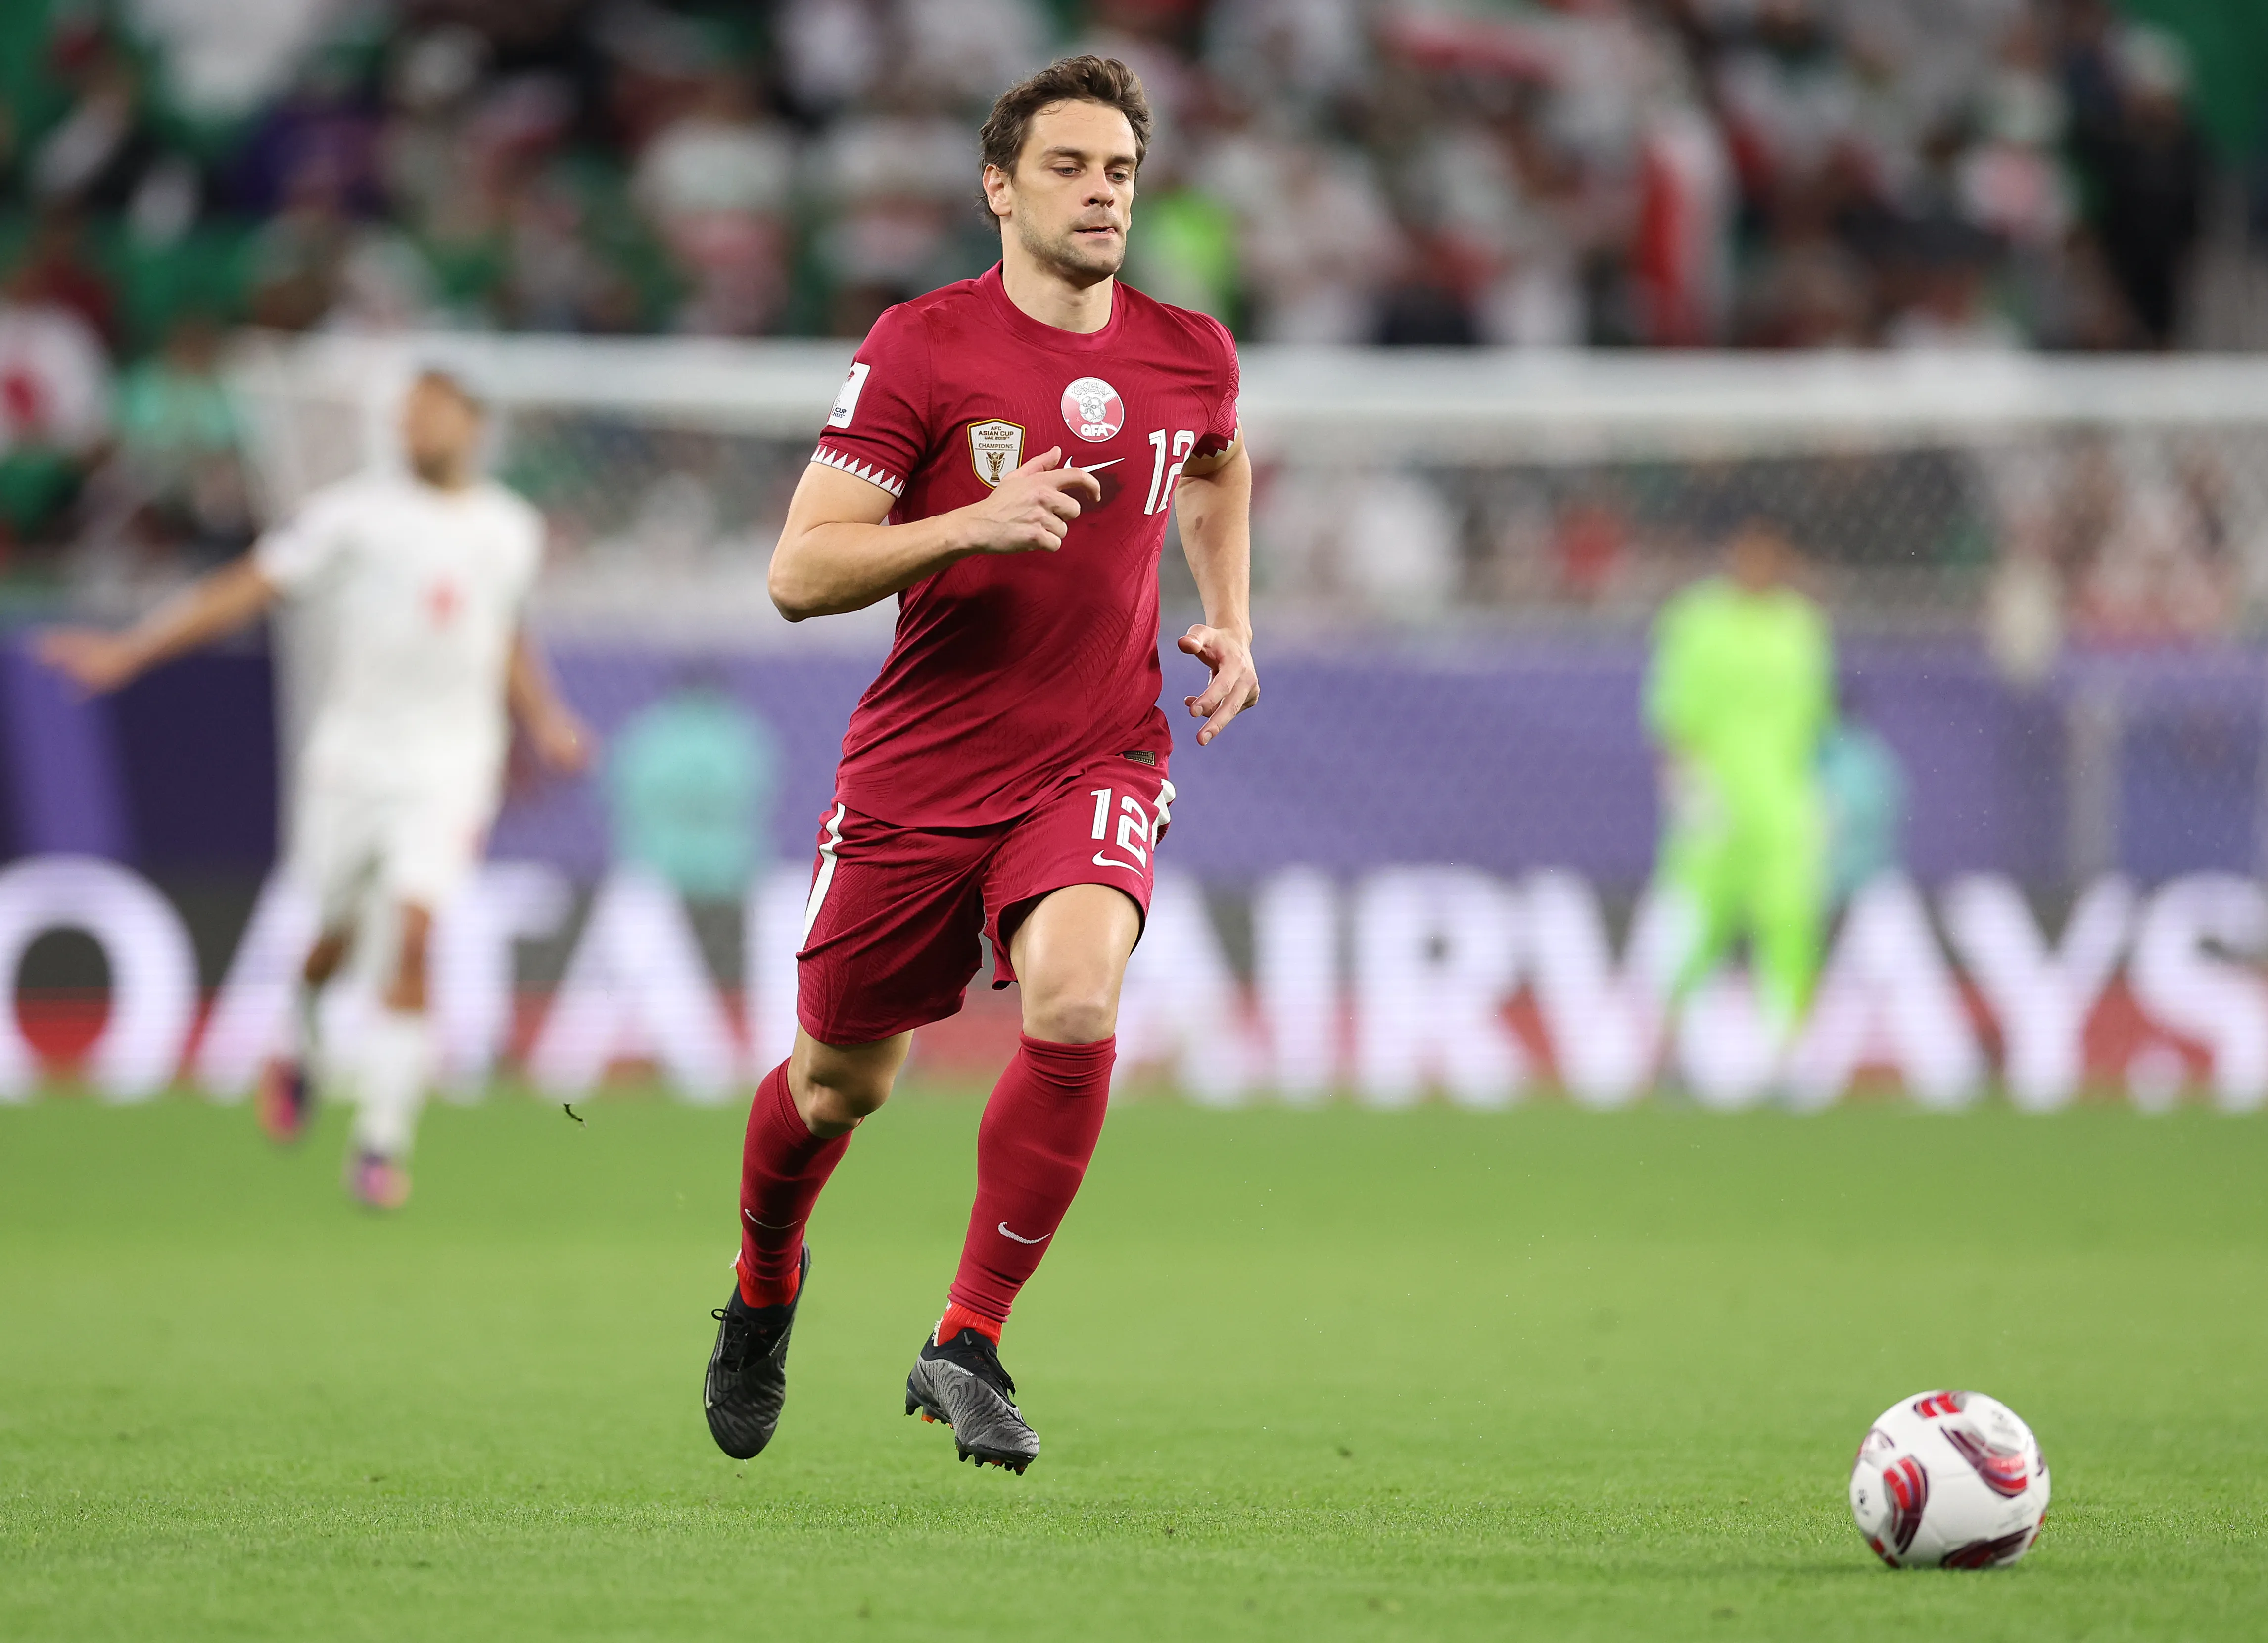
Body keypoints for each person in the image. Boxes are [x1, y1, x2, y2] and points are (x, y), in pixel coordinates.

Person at [704, 56, 1258, 1474]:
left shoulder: (1191, 348)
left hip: (1097, 751)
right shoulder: (922, 347)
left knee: (1075, 1006)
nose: (1101, 194)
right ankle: (766, 1288)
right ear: (998, 188)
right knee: (841, 1087)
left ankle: (968, 1338)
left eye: (1121, 172)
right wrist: (971, 522)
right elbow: (797, 573)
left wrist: (1234, 615)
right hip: (920, 773)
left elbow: (1213, 461)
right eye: (1069, 168)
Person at [39, 369, 591, 1208]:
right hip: (352, 760)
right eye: (406, 414)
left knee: (412, 935)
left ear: (472, 425)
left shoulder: (510, 527)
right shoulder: (351, 515)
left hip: (450, 765)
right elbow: (245, 588)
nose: (415, 427)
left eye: (431, 414)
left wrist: (546, 719)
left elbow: (503, 627)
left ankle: (380, 1143)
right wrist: (132, 650)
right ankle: (294, 1032)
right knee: (330, 940)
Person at [1644, 521, 1832, 1058]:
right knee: (1694, 932)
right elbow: (1673, 712)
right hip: (1715, 810)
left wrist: (1817, 794)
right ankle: (1670, 1049)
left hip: (1782, 814)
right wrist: (1686, 783)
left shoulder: (1801, 626)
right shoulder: (1697, 621)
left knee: (1791, 930)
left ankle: (1793, 1057)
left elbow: (1812, 722)